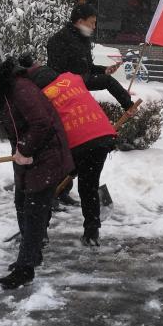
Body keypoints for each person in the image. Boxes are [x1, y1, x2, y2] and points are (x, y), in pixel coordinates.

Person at [0, 53, 73, 290]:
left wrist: (24, 148)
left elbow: (42, 123)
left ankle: (25, 268)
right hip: (24, 155)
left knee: (34, 210)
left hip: (48, 154)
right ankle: (32, 254)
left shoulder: (20, 89)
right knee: (21, 203)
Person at [27, 62, 117, 247]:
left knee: (47, 186)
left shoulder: (40, 97)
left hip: (76, 143)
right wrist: (127, 103)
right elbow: (107, 81)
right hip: (102, 137)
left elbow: (43, 130)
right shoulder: (71, 80)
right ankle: (91, 233)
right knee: (89, 186)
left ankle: (39, 234)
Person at [47, 3, 138, 113]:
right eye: (92, 23)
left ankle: (129, 106)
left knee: (107, 79)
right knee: (107, 81)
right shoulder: (59, 40)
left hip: (79, 83)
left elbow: (87, 67)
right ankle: (129, 106)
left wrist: (104, 70)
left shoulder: (82, 39)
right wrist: (82, 79)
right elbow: (57, 72)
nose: (94, 27)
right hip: (65, 88)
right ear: (80, 22)